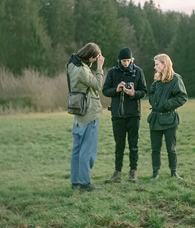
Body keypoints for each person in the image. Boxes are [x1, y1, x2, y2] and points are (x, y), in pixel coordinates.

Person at [102, 47, 147, 183]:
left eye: (127, 60)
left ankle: (133, 172)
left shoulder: (138, 72)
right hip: (117, 115)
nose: (125, 63)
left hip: (133, 114)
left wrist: (134, 93)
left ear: (132, 59)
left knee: (134, 145)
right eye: (123, 61)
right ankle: (117, 173)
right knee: (119, 145)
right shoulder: (112, 72)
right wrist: (116, 90)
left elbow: (144, 91)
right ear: (119, 60)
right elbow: (105, 90)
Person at [66, 42, 105, 191]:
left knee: (77, 148)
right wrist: (99, 67)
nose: (96, 60)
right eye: (96, 58)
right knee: (87, 149)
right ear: (90, 57)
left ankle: (75, 181)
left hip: (78, 111)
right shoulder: (83, 70)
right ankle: (85, 183)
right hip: (89, 112)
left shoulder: (72, 64)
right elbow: (97, 85)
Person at [147, 54, 187, 180]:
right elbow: (151, 92)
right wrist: (154, 102)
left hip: (170, 119)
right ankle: (155, 173)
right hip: (155, 119)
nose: (155, 67)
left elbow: (182, 97)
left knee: (171, 149)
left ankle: (174, 172)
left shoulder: (175, 79)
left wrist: (166, 105)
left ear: (164, 64)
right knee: (155, 149)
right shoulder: (157, 79)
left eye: (157, 64)